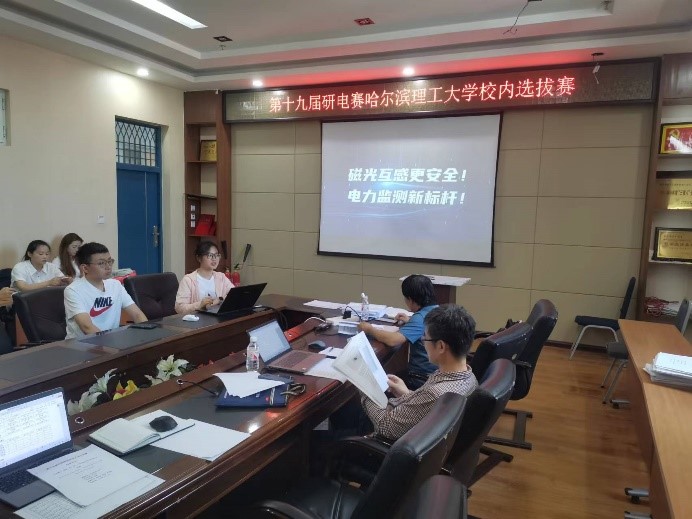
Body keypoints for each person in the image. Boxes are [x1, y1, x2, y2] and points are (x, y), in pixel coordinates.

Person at [361, 304, 478, 441]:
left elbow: (386, 427)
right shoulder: (470, 377)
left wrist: (366, 388)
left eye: (425, 338)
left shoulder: (435, 393)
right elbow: (428, 408)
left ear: (441, 346)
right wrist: (406, 393)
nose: (423, 342)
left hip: (393, 447)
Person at [358, 274, 438, 389]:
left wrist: (369, 329)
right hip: (434, 374)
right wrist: (410, 321)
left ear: (410, 299)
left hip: (420, 378)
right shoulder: (436, 310)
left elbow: (393, 340)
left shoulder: (420, 318)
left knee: (380, 382)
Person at [64, 242, 147, 339]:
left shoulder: (115, 285)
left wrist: (147, 334)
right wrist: (109, 345)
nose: (108, 266)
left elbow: (137, 314)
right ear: (85, 268)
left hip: (111, 341)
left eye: (109, 261)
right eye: (101, 263)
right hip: (82, 344)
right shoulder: (73, 290)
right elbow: (87, 327)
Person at [175, 241, 235, 314]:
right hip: (198, 319)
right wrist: (199, 305)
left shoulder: (221, 277)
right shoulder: (188, 280)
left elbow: (234, 295)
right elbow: (179, 308)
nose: (214, 258)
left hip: (218, 318)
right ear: (199, 258)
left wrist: (220, 299)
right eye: (210, 255)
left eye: (216, 255)